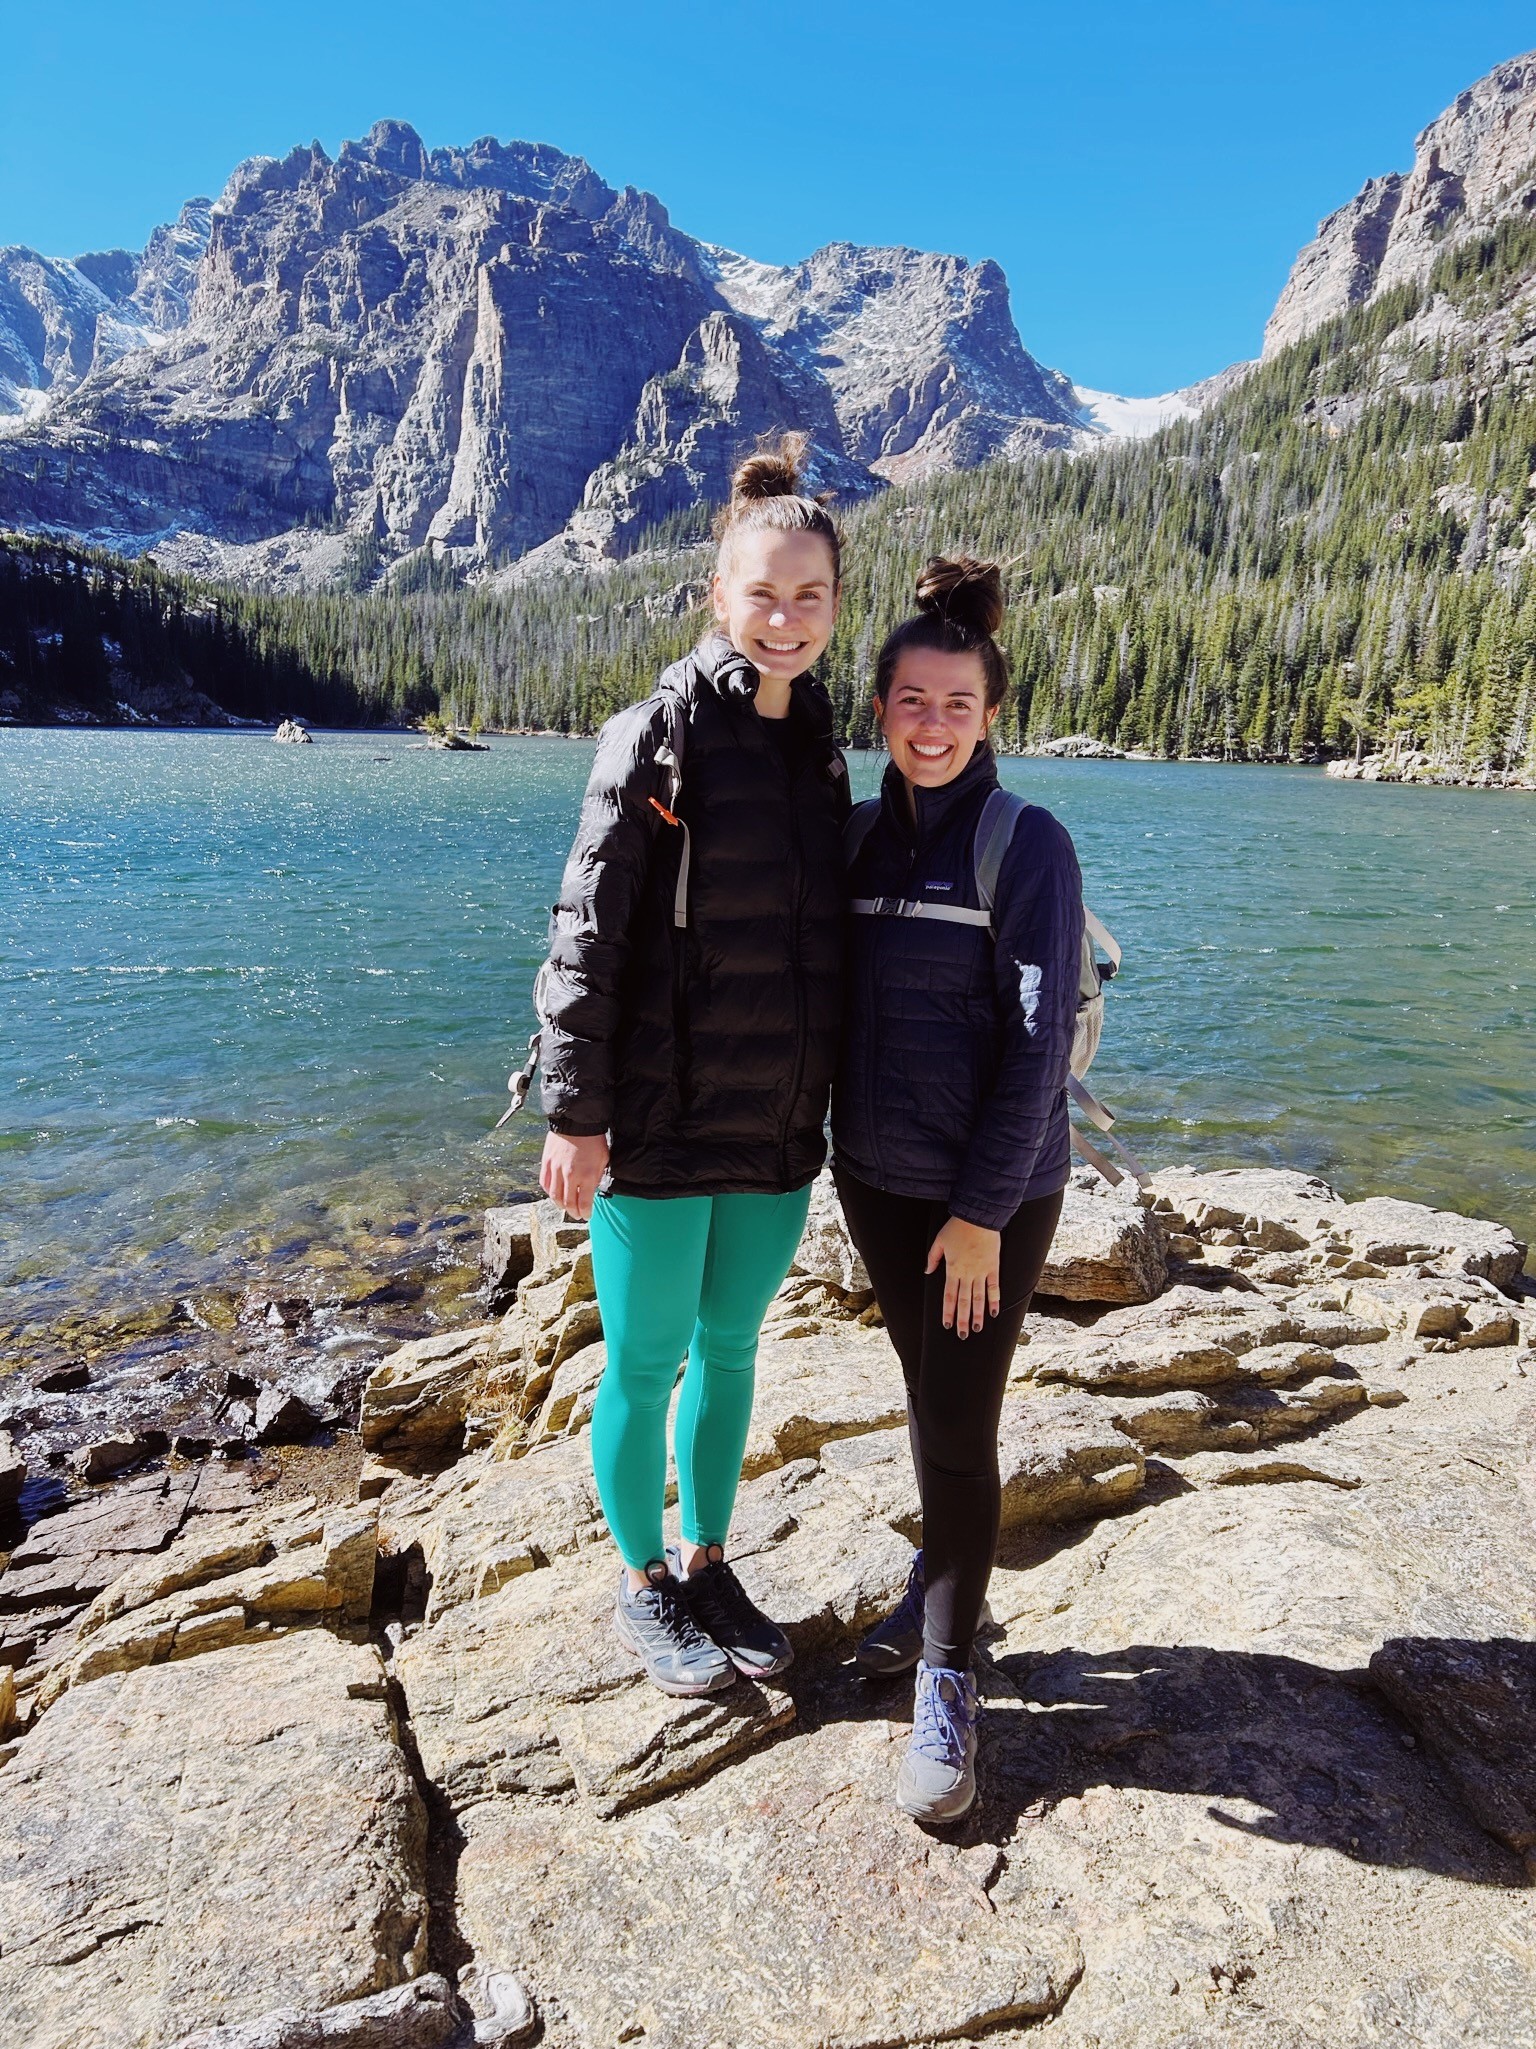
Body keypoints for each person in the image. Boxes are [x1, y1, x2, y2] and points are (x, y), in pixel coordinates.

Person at [534, 436, 849, 1697]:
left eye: (809, 597)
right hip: (657, 1122)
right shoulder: (655, 734)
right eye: (762, 595)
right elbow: (586, 932)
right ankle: (643, 1580)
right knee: (645, 1360)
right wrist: (576, 1112)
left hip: (775, 1119)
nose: (784, 619)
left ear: (834, 606)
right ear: (719, 596)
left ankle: (711, 1560)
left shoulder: (820, 746)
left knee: (730, 1353)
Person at [832, 556, 1083, 1821]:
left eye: (958, 704)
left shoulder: (1025, 845)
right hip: (875, 1184)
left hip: (990, 1200)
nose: (932, 725)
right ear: (880, 709)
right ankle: (946, 1580)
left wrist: (983, 1217)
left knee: (958, 1428)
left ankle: (948, 1674)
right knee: (928, 1401)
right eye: (911, 702)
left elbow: (1037, 1051)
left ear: (991, 716)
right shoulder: (861, 837)